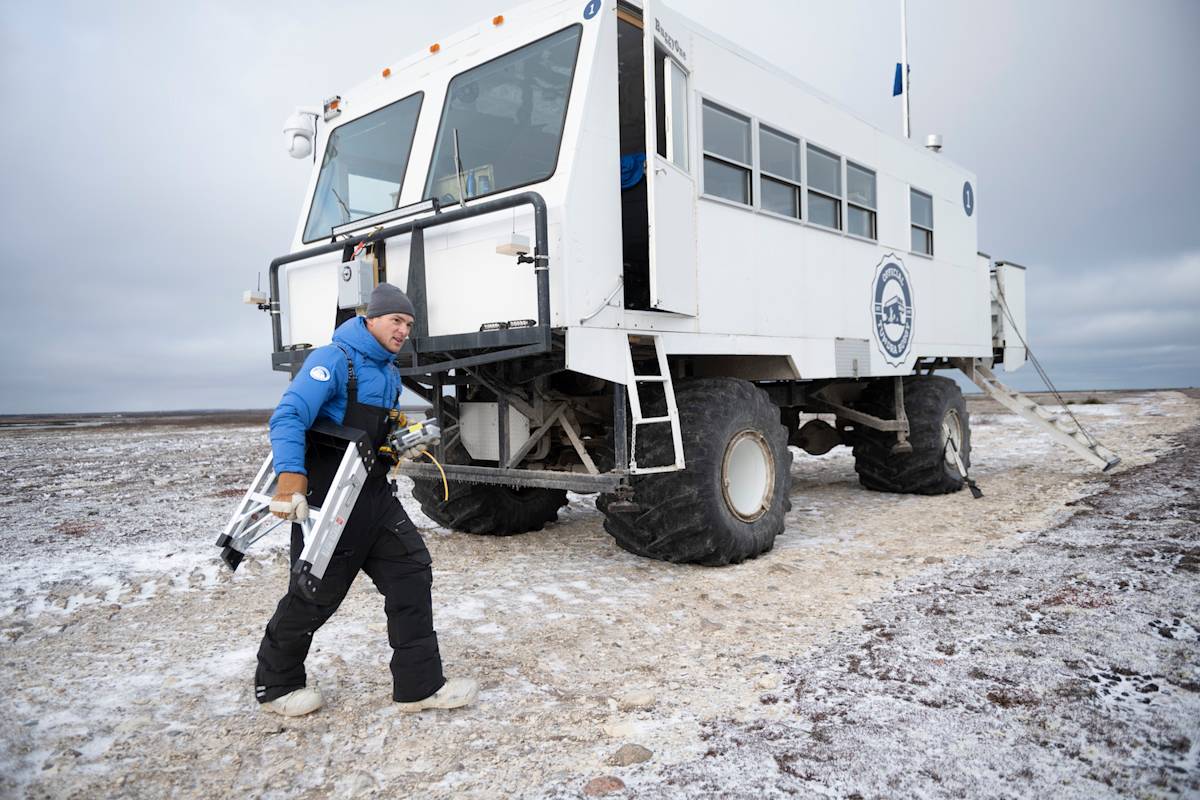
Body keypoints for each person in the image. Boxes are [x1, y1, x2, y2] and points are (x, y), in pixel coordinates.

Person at [254, 282, 477, 717]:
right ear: (370, 318)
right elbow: (289, 416)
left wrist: (398, 444)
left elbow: (378, 435)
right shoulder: (332, 360)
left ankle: (419, 687)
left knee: (412, 573)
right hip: (332, 497)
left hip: (374, 493)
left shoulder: (389, 372)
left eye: (408, 324)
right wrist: (290, 480)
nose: (402, 331)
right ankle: (277, 687)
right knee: (314, 593)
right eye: (396, 320)